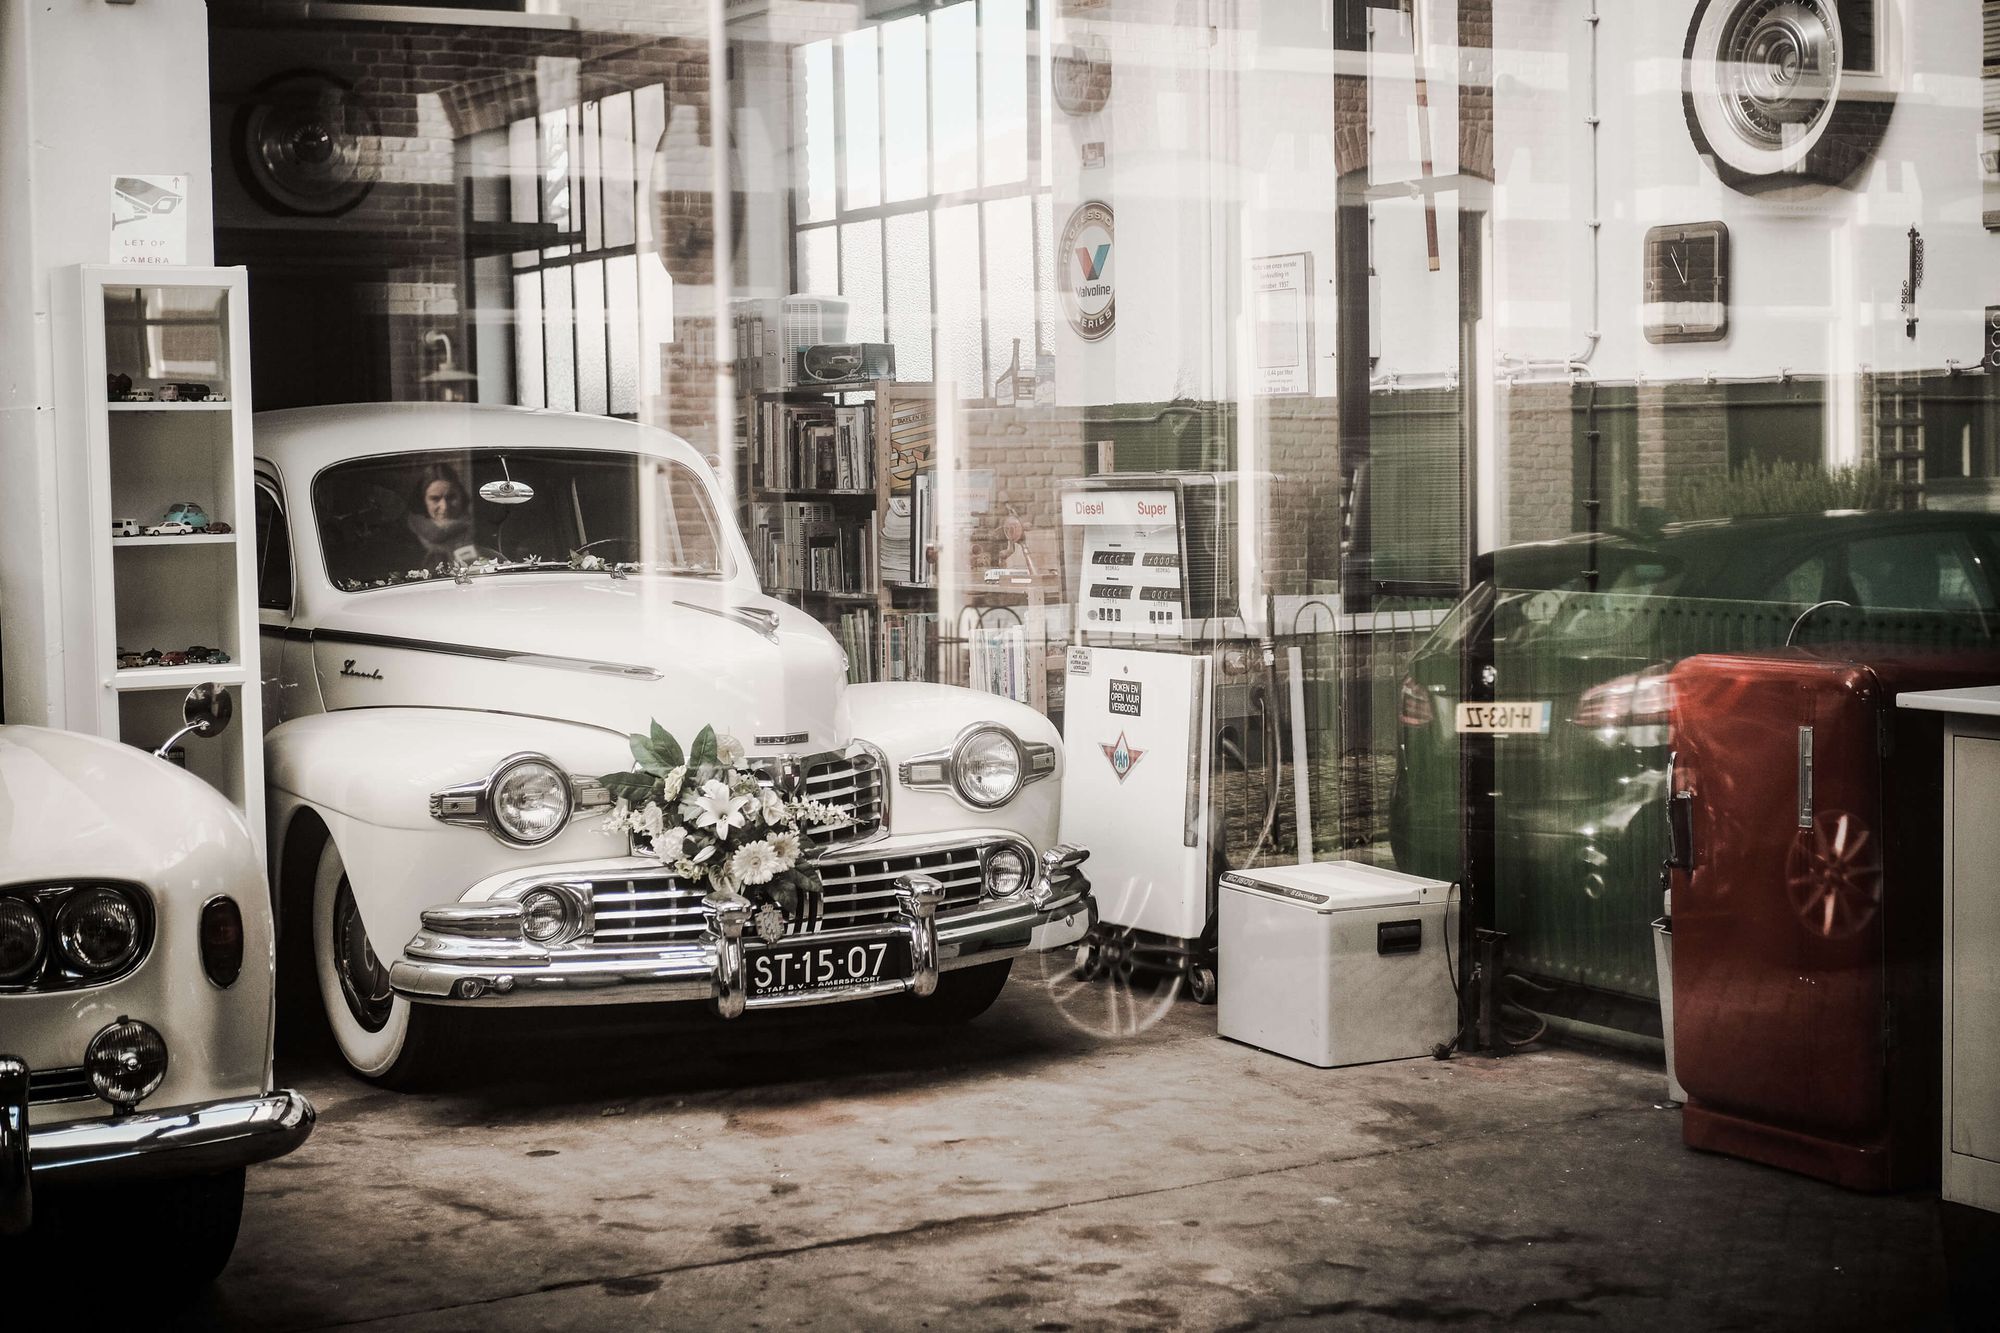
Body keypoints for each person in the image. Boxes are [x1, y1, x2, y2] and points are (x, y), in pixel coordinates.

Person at [406, 462, 477, 567]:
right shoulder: (406, 541)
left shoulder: (480, 534)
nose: (444, 506)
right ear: (422, 501)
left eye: (451, 497)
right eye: (435, 498)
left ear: (461, 496)